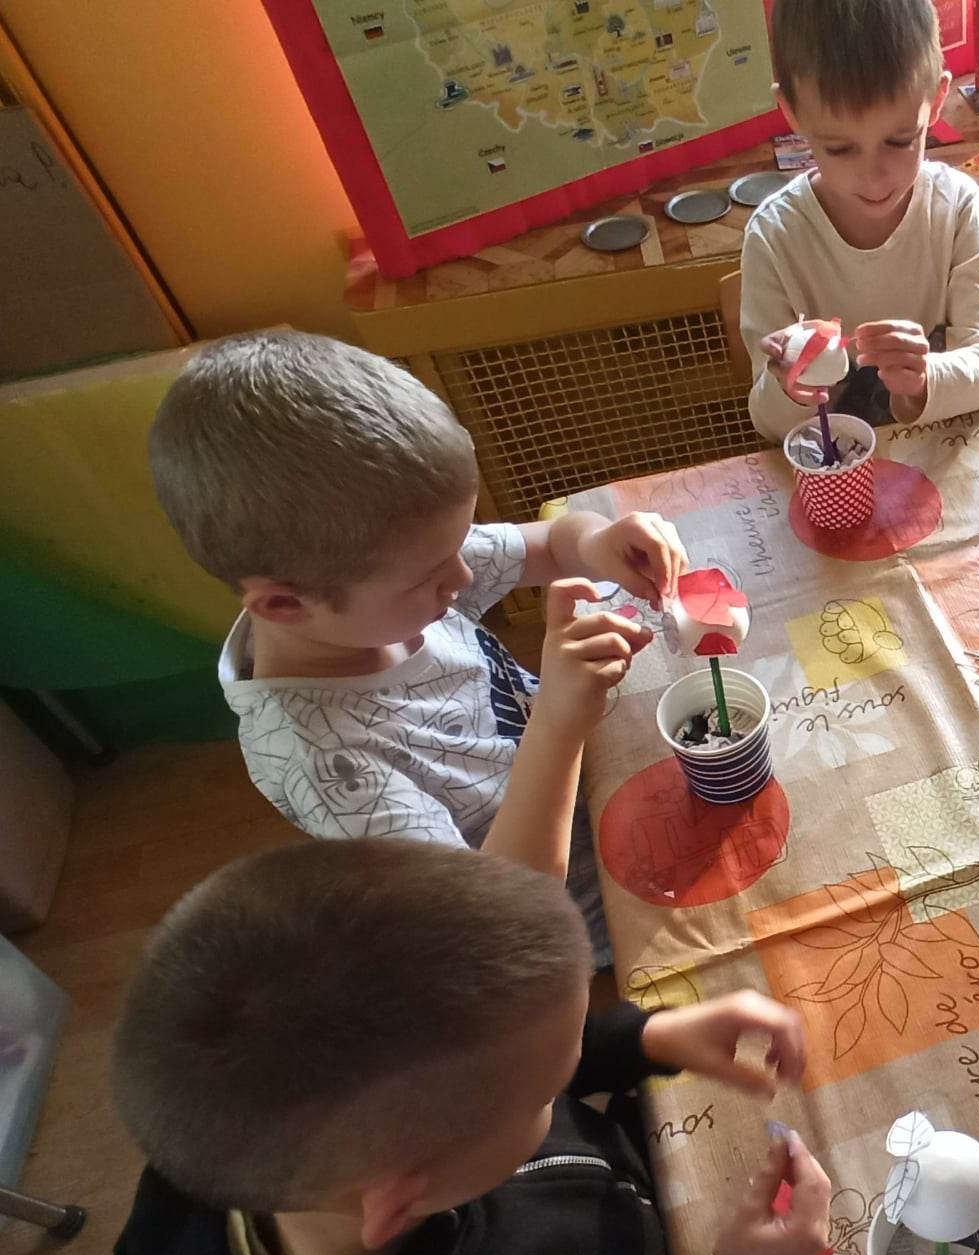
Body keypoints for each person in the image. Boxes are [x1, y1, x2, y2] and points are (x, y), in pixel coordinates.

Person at [103, 840, 831, 1255]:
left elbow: (485, 1061)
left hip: (615, 1220)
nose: (557, 1086)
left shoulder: (247, 1138)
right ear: (402, 1202)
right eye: (546, 1090)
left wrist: (646, 1040)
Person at [150, 331, 688, 961]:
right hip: (589, 912)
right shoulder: (325, 762)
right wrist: (558, 722)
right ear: (284, 605)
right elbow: (499, 916)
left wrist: (598, 543)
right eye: (431, 577)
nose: (462, 577)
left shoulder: (390, 572)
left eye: (458, 545)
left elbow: (553, 541)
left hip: (608, 781)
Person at [742, 0, 979, 440]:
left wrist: (924, 378)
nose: (874, 177)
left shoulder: (956, 208)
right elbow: (770, 426)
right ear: (791, 113)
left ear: (937, 99)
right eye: (840, 149)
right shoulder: (775, 238)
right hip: (834, 467)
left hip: (938, 456)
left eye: (900, 141)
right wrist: (790, 386)